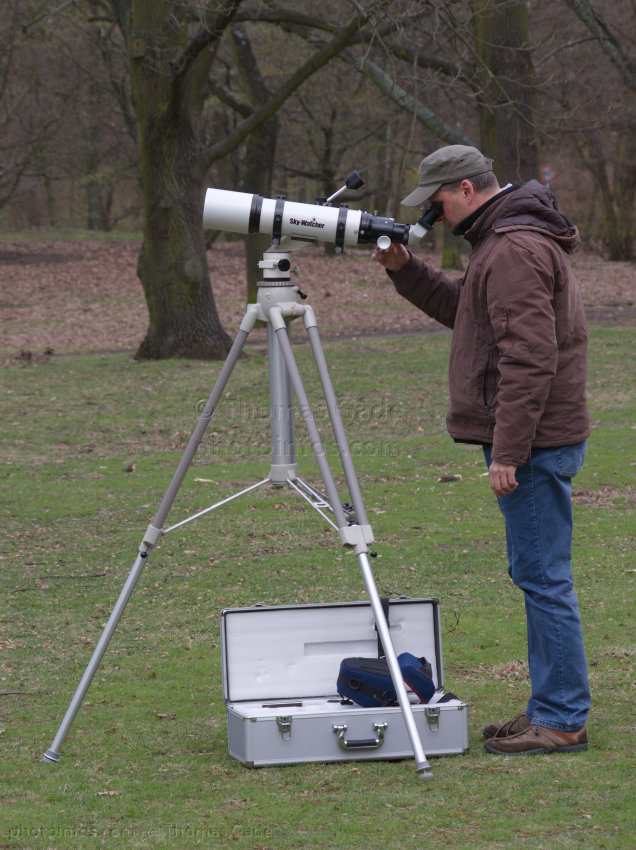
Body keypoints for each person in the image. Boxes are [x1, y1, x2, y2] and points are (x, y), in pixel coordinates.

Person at [372, 144, 591, 755]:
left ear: (466, 188)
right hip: (536, 439)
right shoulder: (501, 242)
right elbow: (465, 313)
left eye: (437, 201)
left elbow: (529, 358)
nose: (434, 215)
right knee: (537, 574)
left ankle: (562, 718)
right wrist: (403, 269)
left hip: (535, 443)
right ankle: (550, 706)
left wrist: (509, 452)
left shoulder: (513, 249)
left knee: (544, 579)